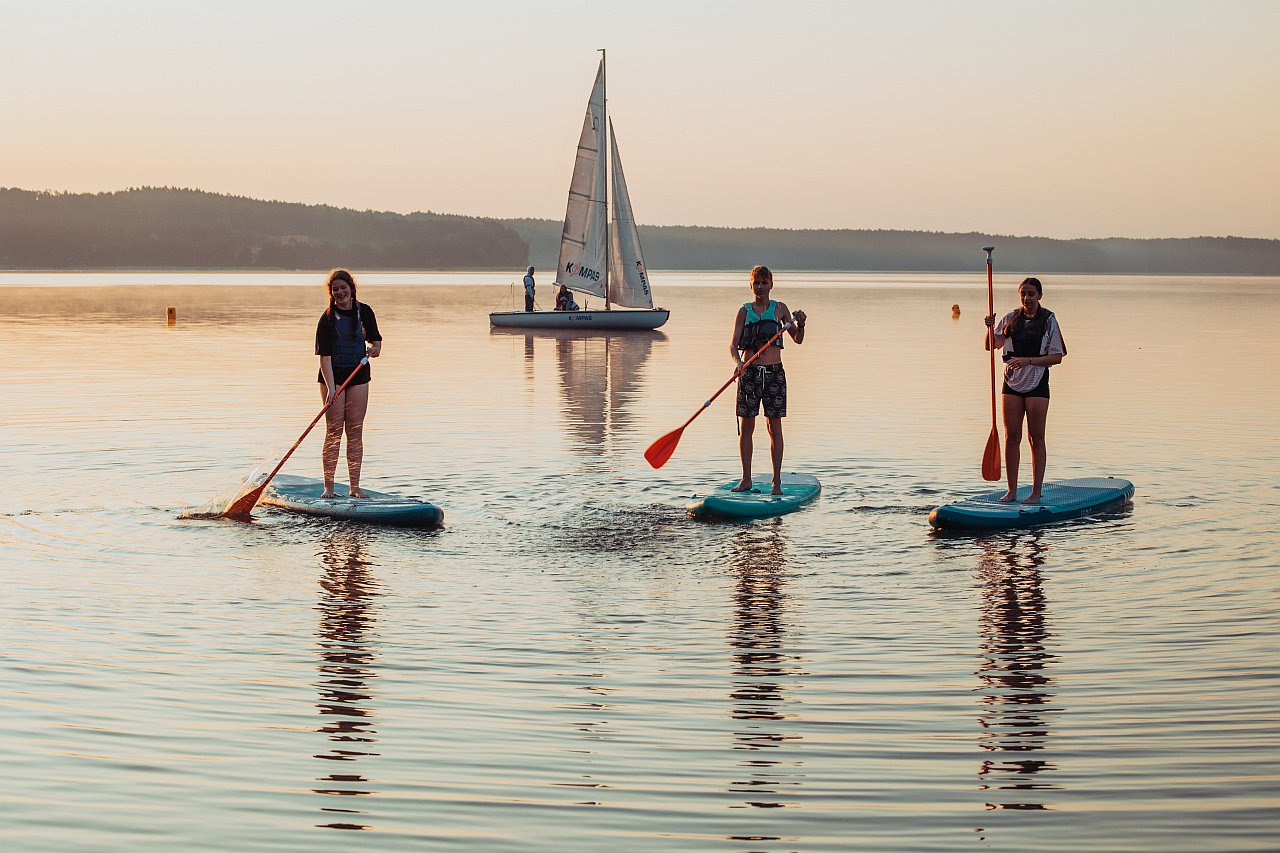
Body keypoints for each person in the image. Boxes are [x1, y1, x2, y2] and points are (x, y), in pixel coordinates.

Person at [984, 276, 1067, 504]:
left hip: (1037, 381)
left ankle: (1035, 492)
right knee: (1012, 437)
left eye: (1031, 294)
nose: (1027, 298)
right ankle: (1011, 491)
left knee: (1035, 438)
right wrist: (989, 329)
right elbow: (991, 345)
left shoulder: (1049, 320)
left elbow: (1057, 357)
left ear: (1039, 295)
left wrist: (1028, 361)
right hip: (1011, 383)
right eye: (1023, 294)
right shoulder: (1011, 318)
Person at [728, 265, 807, 495]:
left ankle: (776, 482)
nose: (760, 287)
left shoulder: (781, 310)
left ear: (771, 284)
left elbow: (797, 339)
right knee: (747, 427)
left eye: (764, 283)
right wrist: (738, 363)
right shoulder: (744, 311)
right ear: (750, 285)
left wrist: (801, 323)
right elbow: (733, 345)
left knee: (774, 427)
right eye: (757, 283)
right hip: (750, 374)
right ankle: (746, 480)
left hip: (774, 374)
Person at [315, 268, 383, 499]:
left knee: (354, 431)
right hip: (332, 377)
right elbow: (324, 357)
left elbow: (376, 343)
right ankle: (329, 488)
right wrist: (332, 388)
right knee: (334, 432)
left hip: (358, 375)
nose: (340, 292)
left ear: (351, 289)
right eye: (335, 290)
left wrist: (374, 350)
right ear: (331, 293)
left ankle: (354, 488)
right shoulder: (326, 319)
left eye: (344, 288)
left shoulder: (365, 312)